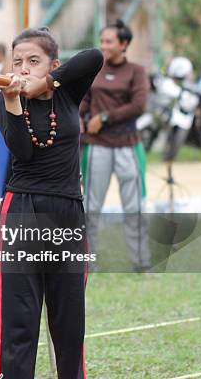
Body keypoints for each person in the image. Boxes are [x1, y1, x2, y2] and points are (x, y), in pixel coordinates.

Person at [0, 27, 103, 378]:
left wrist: (48, 83)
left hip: (68, 212)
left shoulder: (67, 92)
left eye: (33, 61)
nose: (23, 69)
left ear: (53, 65)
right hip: (22, 212)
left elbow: (94, 57)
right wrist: (12, 100)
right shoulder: (5, 100)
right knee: (18, 320)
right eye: (18, 62)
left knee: (69, 322)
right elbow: (22, 151)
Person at [80, 19, 151, 272]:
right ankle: (88, 263)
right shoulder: (95, 69)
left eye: (109, 41)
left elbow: (138, 105)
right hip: (96, 146)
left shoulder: (136, 72)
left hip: (128, 147)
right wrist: (80, 119)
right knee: (89, 206)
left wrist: (105, 118)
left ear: (124, 44)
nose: (103, 46)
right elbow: (84, 100)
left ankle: (141, 263)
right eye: (101, 41)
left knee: (135, 207)